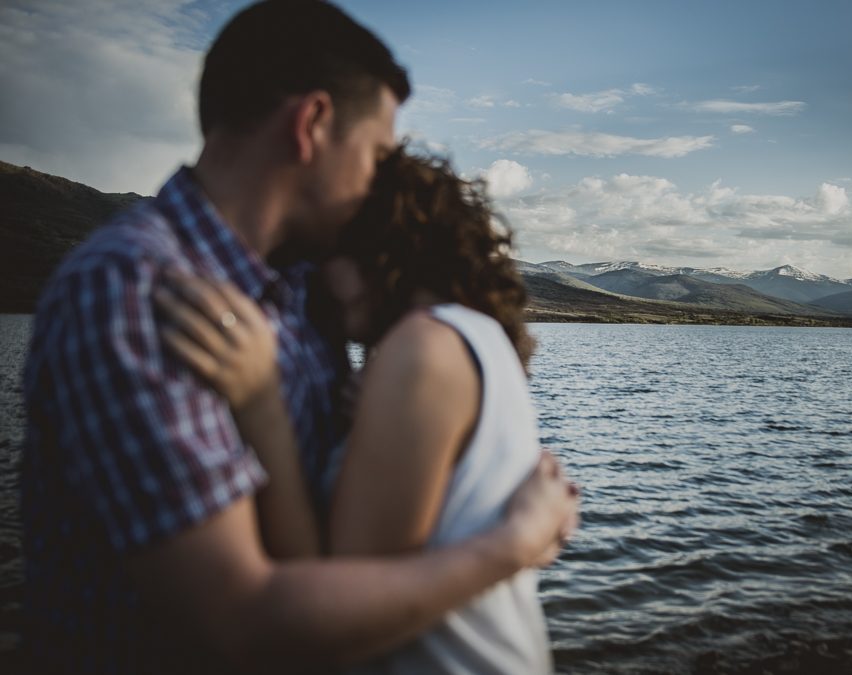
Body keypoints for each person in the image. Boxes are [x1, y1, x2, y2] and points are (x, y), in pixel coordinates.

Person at [18, 2, 577, 673]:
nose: (381, 184)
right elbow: (245, 625)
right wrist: (508, 545)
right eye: (376, 154)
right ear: (311, 125)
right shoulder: (133, 290)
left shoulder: (305, 288)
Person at [156, 148, 555, 673]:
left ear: (383, 248)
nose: (316, 274)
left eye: (331, 251)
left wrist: (262, 406)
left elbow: (332, 612)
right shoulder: (472, 337)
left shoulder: (423, 349)